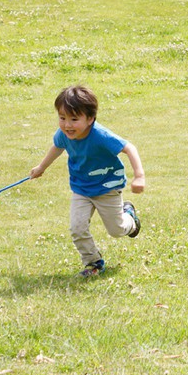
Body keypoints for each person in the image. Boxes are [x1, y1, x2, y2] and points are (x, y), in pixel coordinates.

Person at [30, 85, 145, 277]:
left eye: (74, 119)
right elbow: (57, 147)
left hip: (107, 188)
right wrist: (41, 167)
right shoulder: (65, 134)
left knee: (117, 230)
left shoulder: (100, 135)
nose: (67, 125)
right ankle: (93, 263)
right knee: (77, 228)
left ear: (90, 119)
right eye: (62, 118)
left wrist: (139, 176)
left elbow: (129, 148)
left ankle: (130, 218)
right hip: (81, 188)